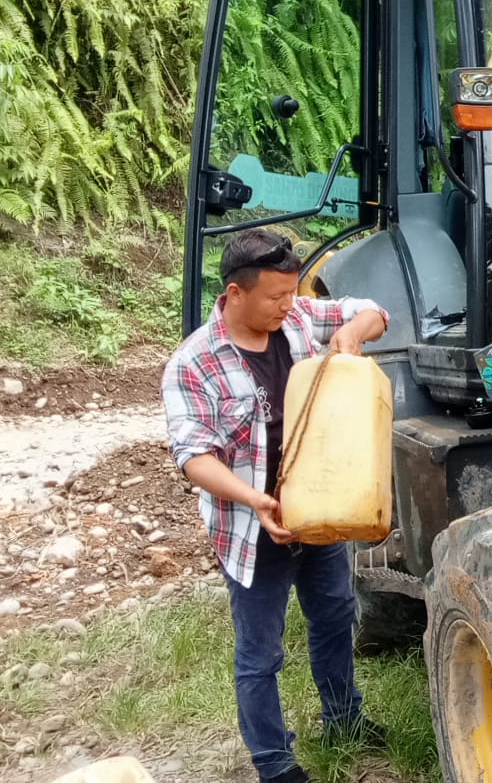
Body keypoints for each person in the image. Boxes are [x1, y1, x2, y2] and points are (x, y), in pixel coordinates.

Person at [162, 228, 390, 783]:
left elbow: (374, 311)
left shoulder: (297, 319)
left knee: (334, 616)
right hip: (251, 526)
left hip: (320, 508)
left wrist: (352, 333)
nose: (289, 305)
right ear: (235, 294)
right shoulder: (194, 362)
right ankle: (274, 762)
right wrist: (255, 500)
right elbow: (193, 456)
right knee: (260, 653)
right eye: (276, 296)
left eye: (293, 293)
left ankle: (344, 719)